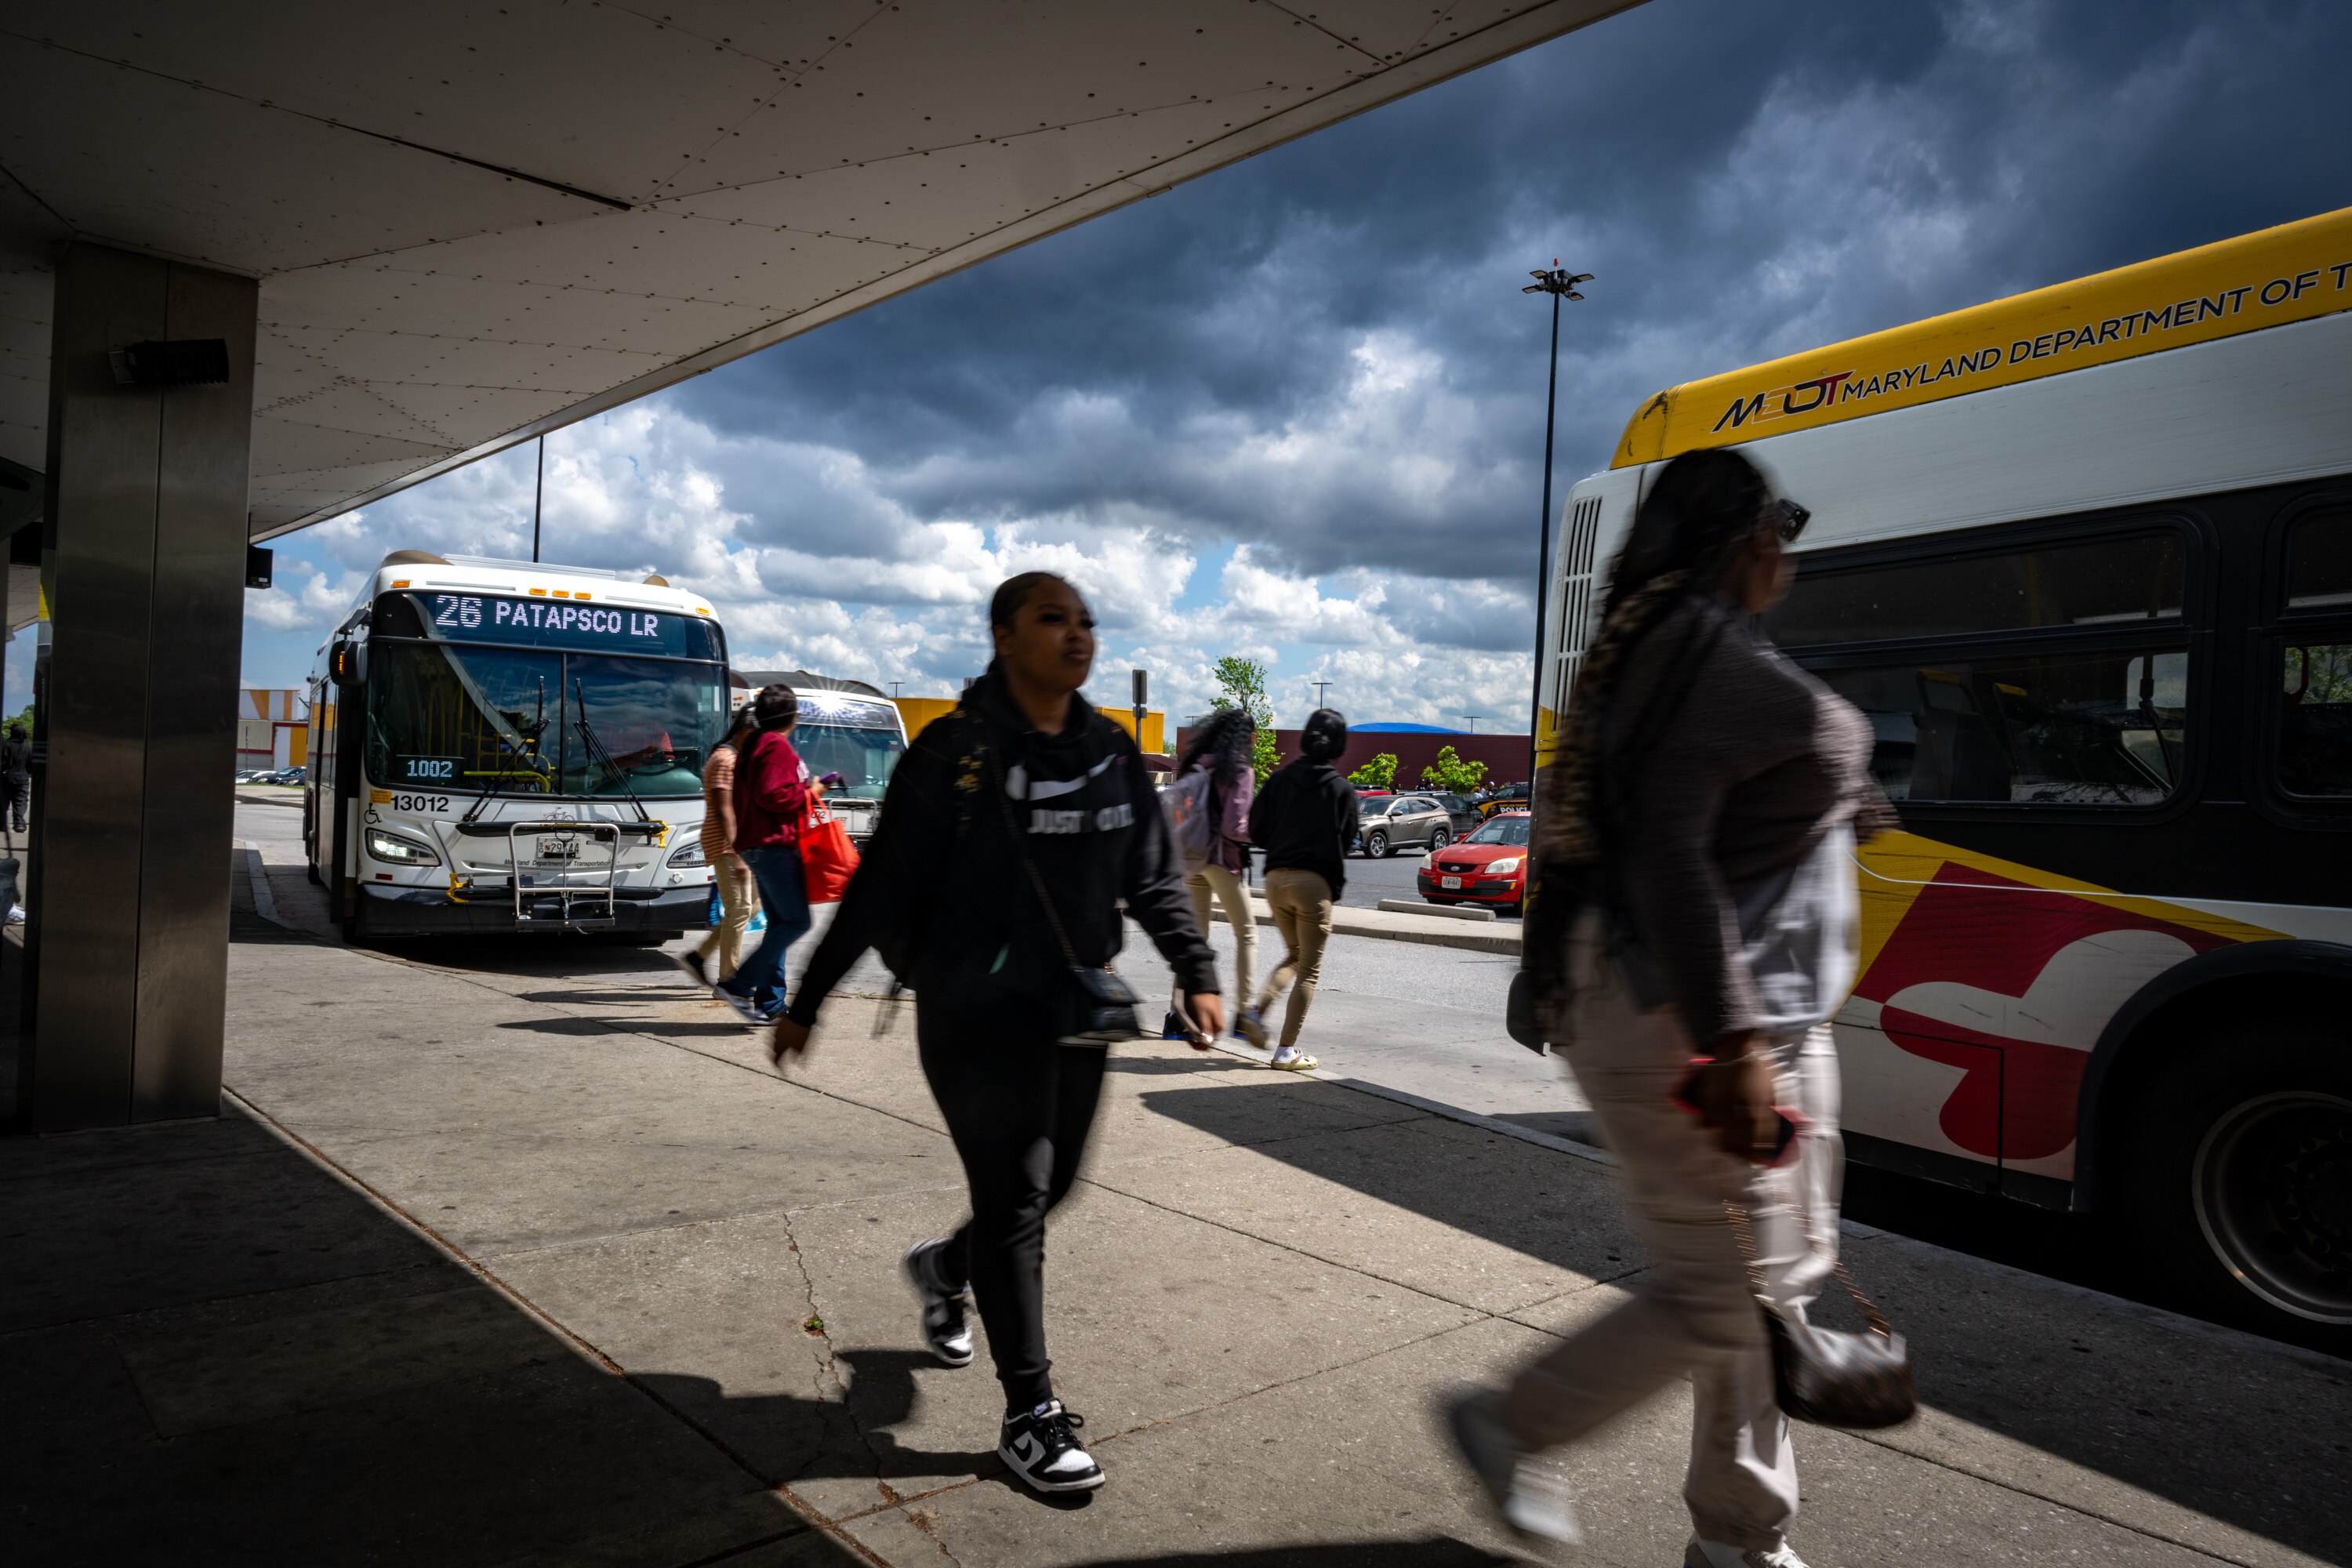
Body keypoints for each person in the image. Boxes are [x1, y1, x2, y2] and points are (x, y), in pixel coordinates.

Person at [1445, 448, 1895, 1568]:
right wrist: (1734, 1039)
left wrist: (1842, 797)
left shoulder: (1682, 645)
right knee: (1732, 1293)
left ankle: (1740, 1539)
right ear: (1744, 538)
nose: (1785, 554)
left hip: (1756, 1014)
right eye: (1777, 530)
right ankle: (1516, 1422)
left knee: (1771, 1285)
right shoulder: (1692, 648)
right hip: (1696, 1018)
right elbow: (1670, 855)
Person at [770, 572, 1221, 1495]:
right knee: (1016, 1194)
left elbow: (1152, 872)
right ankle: (1031, 1415)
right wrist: (809, 996)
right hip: (971, 1011)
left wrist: (1196, 966)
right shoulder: (954, 752)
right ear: (1005, 636)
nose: (1076, 634)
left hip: (1076, 1007)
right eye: (1053, 619)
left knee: (1053, 1189)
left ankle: (944, 1263)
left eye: (1086, 619)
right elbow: (883, 881)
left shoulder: (1107, 748)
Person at [1244, 708, 1358, 1071]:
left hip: (1276, 880)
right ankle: (1286, 1050)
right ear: (1338, 745)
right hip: (1314, 884)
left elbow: (1257, 831)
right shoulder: (1341, 789)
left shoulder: (1278, 781)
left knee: (1294, 955)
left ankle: (1255, 1011)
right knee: (1309, 967)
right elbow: (1347, 841)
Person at [711, 685, 815, 1024]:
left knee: (781, 925)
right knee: (798, 921)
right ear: (793, 715)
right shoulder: (774, 744)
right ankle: (739, 986)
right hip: (773, 847)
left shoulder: (754, 744)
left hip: (756, 846)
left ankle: (770, 1003)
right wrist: (810, 792)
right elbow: (775, 795)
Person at [1160, 706, 1261, 1047]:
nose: (1255, 739)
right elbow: (1236, 826)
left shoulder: (1196, 765)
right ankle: (1244, 1015)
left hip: (1191, 861)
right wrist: (1262, 831)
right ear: (1245, 736)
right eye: (1253, 733)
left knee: (1194, 941)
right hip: (1221, 862)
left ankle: (1178, 1018)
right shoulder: (1239, 771)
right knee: (1247, 933)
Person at [674, 703, 759, 988]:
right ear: (747, 732)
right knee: (739, 911)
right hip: (726, 844)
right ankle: (728, 982)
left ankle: (699, 958)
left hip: (736, 843)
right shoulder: (726, 760)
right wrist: (738, 854)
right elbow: (725, 810)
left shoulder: (730, 756)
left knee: (751, 907)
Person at [2, 722, 29, 834]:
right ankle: (19, 824)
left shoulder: (5, 745)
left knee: (3, 801)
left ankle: (2, 824)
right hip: (23, 779)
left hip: (6, 778)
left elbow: (3, 763)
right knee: (20, 801)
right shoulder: (28, 747)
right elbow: (31, 765)